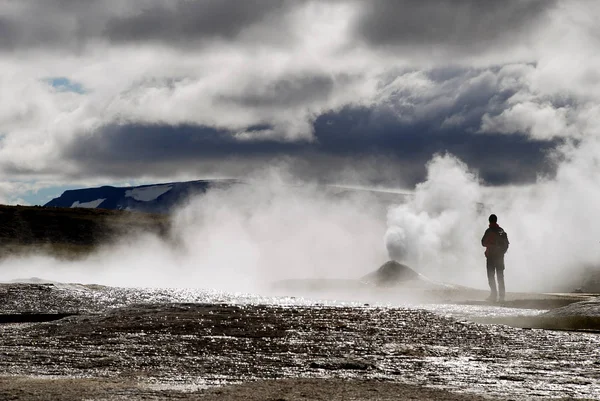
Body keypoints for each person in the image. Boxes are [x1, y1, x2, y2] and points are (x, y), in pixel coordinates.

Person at [481, 214, 509, 302]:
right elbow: (506, 244)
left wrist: (491, 246)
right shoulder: (501, 231)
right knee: (500, 276)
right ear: (496, 220)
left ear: (489, 221)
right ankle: (502, 297)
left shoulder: (489, 231)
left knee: (491, 276)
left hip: (491, 257)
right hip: (500, 257)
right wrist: (501, 252)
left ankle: (493, 295)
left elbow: (483, 242)